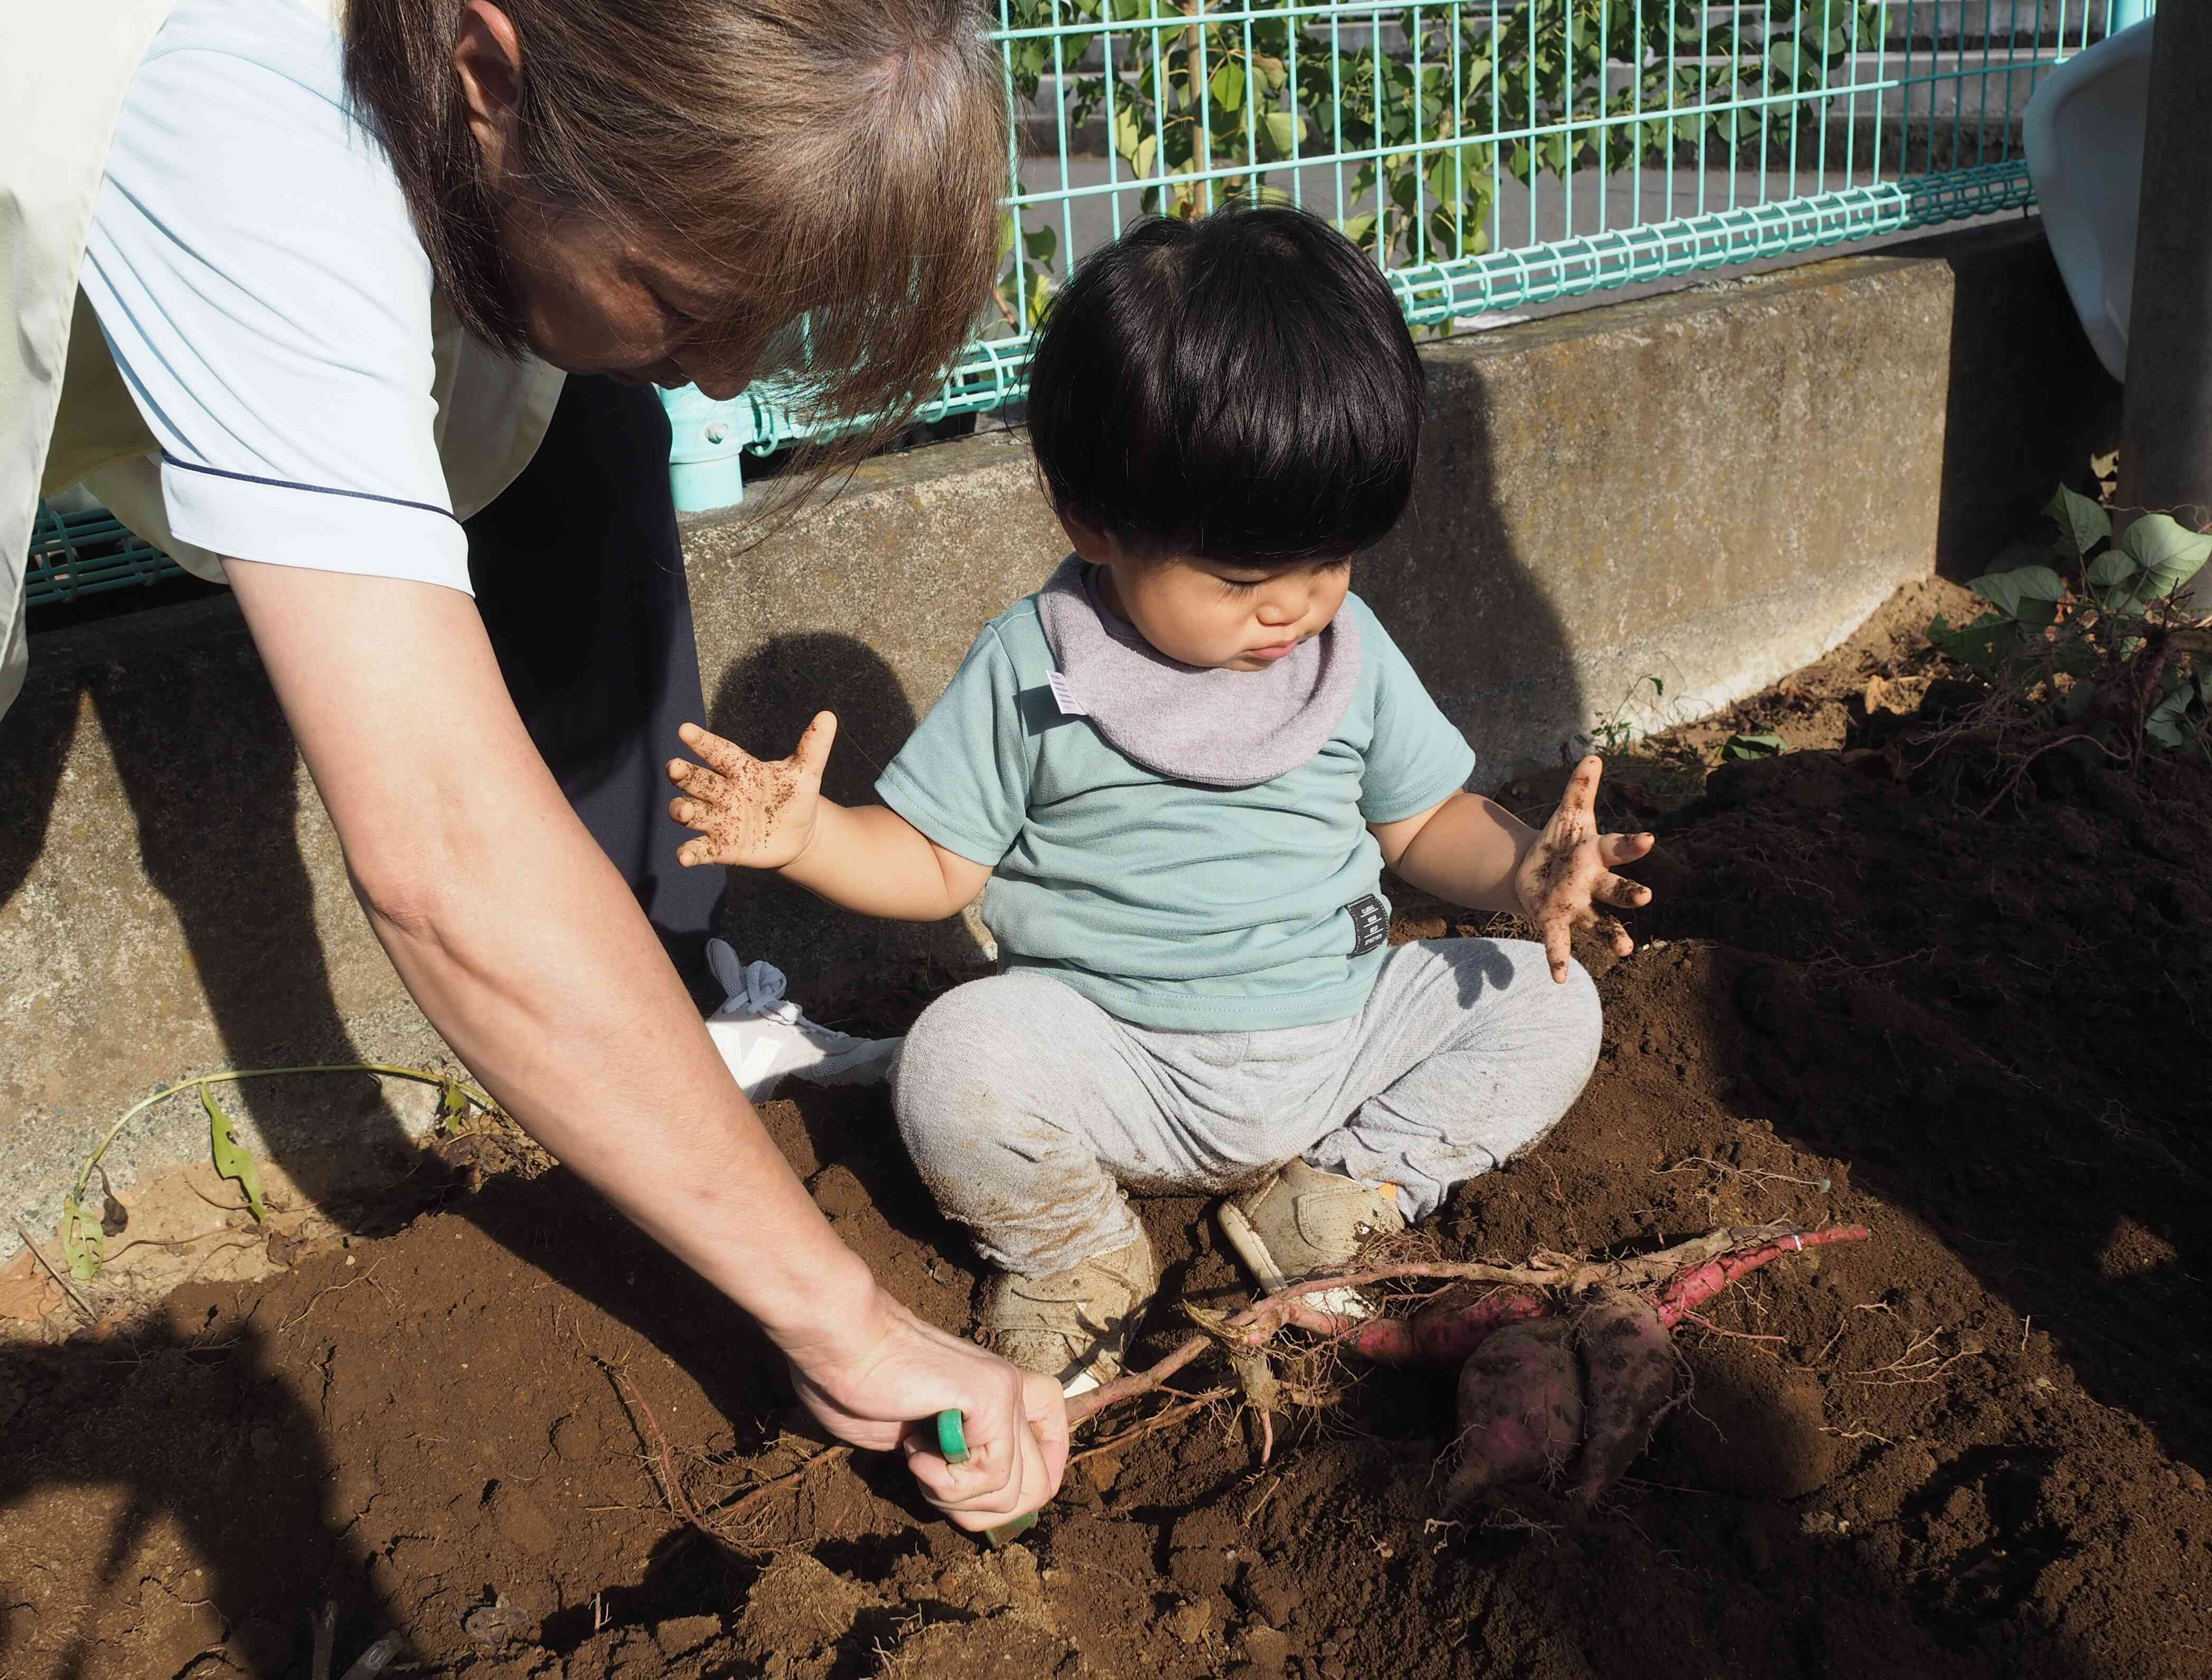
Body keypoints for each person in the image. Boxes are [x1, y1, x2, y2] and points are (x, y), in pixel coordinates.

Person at [3, 0, 1064, 1528]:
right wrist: (846, 1320)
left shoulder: (473, 99)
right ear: (486, 74)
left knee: (587, 434)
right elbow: (445, 859)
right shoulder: (248, 113)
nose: (725, 380)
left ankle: (672, 1009)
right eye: (688, 302)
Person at [664, 206, 1657, 1393]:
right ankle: (1076, 1253)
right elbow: (935, 867)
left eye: (1329, 564)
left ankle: (1335, 1200)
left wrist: (1524, 873)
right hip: (1114, 1067)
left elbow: (1423, 823)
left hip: (1339, 1040)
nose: (1294, 607)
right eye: (1244, 577)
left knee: (1544, 1004)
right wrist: (811, 834)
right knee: (952, 1060)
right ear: (1094, 517)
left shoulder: (1352, 655)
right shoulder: (1036, 667)